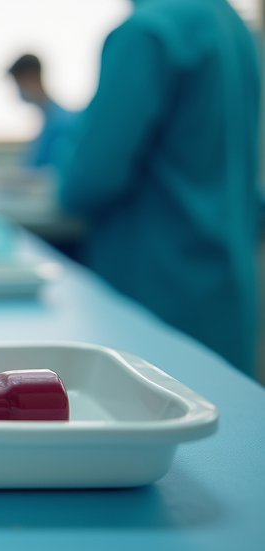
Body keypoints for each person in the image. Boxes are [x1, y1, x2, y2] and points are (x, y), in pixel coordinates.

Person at [58, 0, 260, 375]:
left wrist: (66, 168)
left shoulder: (148, 32)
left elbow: (88, 180)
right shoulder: (233, 26)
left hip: (158, 292)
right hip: (229, 292)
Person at [8, 54, 79, 169]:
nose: (17, 90)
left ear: (30, 77)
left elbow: (55, 173)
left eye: (18, 83)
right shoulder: (47, 121)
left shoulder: (62, 123)